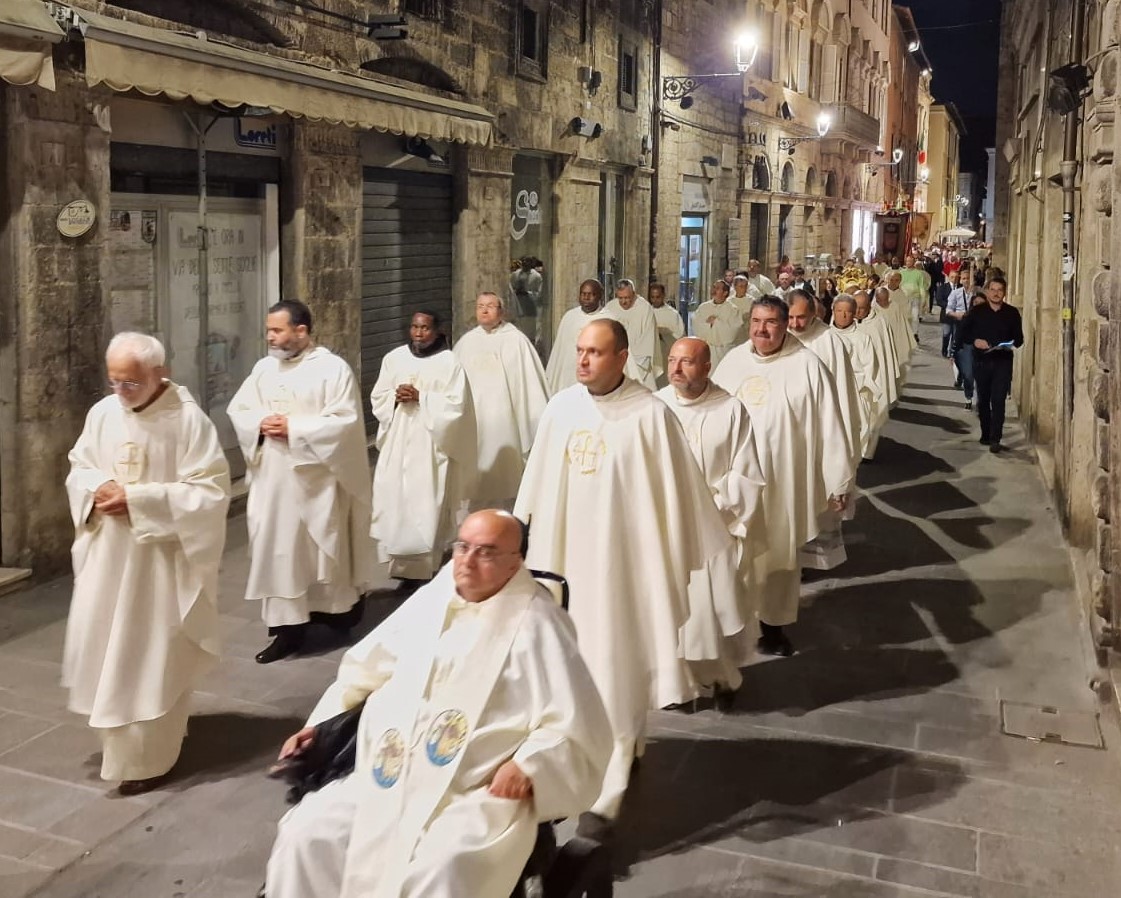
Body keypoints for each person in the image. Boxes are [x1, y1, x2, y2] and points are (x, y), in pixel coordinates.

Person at [262, 510, 612, 898]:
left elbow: (575, 723)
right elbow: (362, 671)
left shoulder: (539, 624)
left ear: (516, 562)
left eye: (486, 552)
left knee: (442, 869)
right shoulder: (433, 598)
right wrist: (319, 726)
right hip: (387, 773)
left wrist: (530, 764)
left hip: (473, 789)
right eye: (462, 547)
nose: (467, 561)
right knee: (307, 836)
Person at [515, 318, 738, 833]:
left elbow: (679, 499)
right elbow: (534, 487)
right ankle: (571, 750)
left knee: (616, 661)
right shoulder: (562, 407)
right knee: (566, 664)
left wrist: (666, 559)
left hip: (622, 568)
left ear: (621, 357)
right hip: (563, 560)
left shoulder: (651, 416)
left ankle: (611, 771)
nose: (583, 360)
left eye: (595, 352)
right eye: (580, 350)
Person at [64, 333, 230, 794]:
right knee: (109, 651)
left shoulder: (189, 422)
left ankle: (149, 759)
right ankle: (120, 745)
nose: (121, 391)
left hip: (159, 567)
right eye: (114, 381)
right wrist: (96, 487)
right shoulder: (103, 413)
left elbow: (210, 494)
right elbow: (79, 465)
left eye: (131, 383)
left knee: (150, 656)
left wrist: (138, 500)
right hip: (109, 559)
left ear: (160, 373)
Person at [229, 300, 373, 664]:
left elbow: (345, 422)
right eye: (269, 330)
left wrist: (294, 428)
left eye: (277, 330)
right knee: (279, 553)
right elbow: (240, 409)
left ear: (301, 331)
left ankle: (335, 614)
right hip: (272, 482)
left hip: (316, 482)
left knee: (318, 549)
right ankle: (286, 631)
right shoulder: (264, 369)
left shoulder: (332, 369)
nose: (270, 337)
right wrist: (259, 423)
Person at [713, 298, 855, 657]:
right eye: (756, 321)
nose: (761, 329)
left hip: (783, 480)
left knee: (778, 553)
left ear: (785, 325)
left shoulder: (807, 365)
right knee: (731, 552)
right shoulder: (732, 362)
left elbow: (830, 426)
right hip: (734, 482)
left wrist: (839, 480)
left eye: (771, 322)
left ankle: (773, 627)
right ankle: (730, 622)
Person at [655, 337, 767, 692]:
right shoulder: (655, 407)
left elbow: (746, 473)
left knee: (708, 612)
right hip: (665, 526)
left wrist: (710, 505)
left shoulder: (731, 410)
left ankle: (720, 678)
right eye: (672, 360)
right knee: (666, 608)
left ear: (706, 367)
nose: (675, 368)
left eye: (686, 362)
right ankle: (674, 682)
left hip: (713, 526)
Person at [370, 311, 477, 586]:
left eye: (425, 328)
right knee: (394, 498)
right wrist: (394, 398)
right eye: (414, 327)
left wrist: (423, 397)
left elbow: (457, 405)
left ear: (437, 330)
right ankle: (399, 565)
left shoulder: (449, 363)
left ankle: (425, 567)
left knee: (426, 501)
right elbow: (378, 396)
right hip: (398, 441)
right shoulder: (394, 358)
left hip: (430, 445)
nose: (418, 333)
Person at [786, 291, 861, 571]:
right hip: (786, 439)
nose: (795, 324)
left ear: (814, 314)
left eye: (801, 317)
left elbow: (842, 399)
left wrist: (842, 453)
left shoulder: (828, 343)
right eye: (790, 317)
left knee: (814, 500)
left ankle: (805, 559)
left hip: (818, 436)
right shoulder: (781, 337)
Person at [454, 292, 549, 510]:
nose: (484, 310)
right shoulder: (466, 343)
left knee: (505, 478)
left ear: (502, 311)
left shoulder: (516, 341)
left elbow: (529, 386)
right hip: (474, 422)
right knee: (473, 479)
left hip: (505, 423)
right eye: (480, 306)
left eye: (490, 306)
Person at [958, 276, 1023, 452]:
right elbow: (963, 332)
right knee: (984, 399)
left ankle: (996, 439)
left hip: (1003, 361)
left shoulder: (1012, 313)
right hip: (982, 361)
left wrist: (1009, 344)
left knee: (999, 399)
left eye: (999, 290)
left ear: (1004, 292)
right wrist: (975, 340)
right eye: (993, 290)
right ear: (987, 292)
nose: (996, 293)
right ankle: (986, 433)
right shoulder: (977, 311)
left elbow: (1019, 339)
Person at [831, 295, 889, 461]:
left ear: (854, 313)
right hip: (829, 393)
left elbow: (869, 369)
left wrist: (853, 383)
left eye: (848, 312)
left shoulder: (863, 339)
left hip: (856, 392)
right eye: (839, 311)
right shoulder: (825, 338)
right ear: (833, 311)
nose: (843, 315)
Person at [545, 278, 615, 394]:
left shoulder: (609, 320)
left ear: (600, 296)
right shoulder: (569, 317)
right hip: (569, 376)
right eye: (583, 294)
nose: (586, 298)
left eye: (591, 294)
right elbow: (559, 351)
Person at [605, 278, 660, 389]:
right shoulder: (610, 307)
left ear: (634, 294)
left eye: (627, 298)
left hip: (638, 361)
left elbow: (648, 337)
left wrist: (633, 358)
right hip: (616, 358)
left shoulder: (645, 308)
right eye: (620, 298)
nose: (623, 302)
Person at [854, 290, 902, 408]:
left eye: (861, 308)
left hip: (875, 369)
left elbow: (883, 351)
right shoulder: (845, 321)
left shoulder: (879, 323)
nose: (857, 311)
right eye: (855, 307)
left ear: (869, 307)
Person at [691, 279, 744, 367]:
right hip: (706, 350)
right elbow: (696, 324)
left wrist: (716, 322)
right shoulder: (703, 307)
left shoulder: (733, 310)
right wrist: (709, 325)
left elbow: (732, 332)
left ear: (725, 293)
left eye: (717, 288)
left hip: (723, 351)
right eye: (714, 287)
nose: (714, 290)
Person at [950, 292, 987, 410]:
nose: (978, 305)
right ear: (972, 304)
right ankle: (968, 397)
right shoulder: (967, 317)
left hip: (984, 349)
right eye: (976, 303)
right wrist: (953, 352)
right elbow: (959, 335)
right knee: (969, 375)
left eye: (981, 303)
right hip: (967, 347)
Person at [649, 282, 685, 388]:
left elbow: (679, 335)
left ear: (663, 296)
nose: (655, 300)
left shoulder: (672, 314)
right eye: (652, 297)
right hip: (651, 352)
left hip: (665, 351)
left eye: (658, 297)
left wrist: (665, 332)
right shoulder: (646, 312)